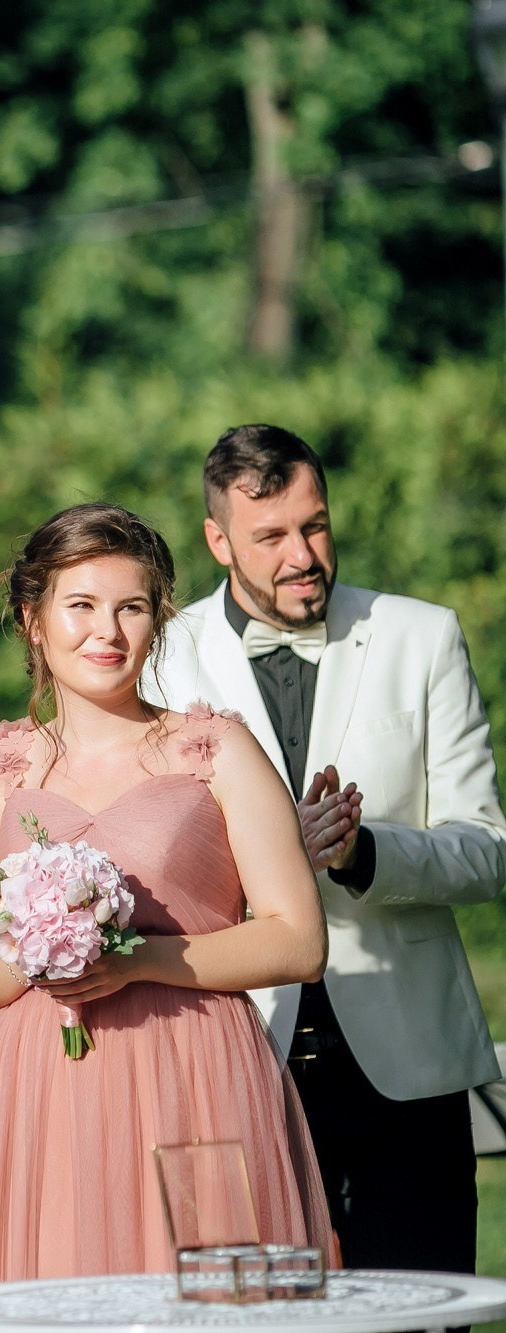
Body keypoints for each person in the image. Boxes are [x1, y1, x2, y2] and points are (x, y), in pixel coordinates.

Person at [0, 504, 332, 1281]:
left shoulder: (216, 750)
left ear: (158, 621)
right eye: (80, 606)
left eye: (132, 607)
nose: (107, 632)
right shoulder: (2, 771)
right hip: (43, 1089)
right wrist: (49, 942)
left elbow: (298, 939)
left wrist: (139, 959)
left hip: (195, 1073)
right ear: (33, 619)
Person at [149, 424, 506, 1273]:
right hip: (236, 1056)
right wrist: (265, 861)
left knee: (424, 1314)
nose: (303, 554)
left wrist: (363, 854)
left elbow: (488, 849)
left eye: (315, 525)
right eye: (270, 536)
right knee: (260, 1317)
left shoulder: (423, 636)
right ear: (218, 540)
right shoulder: (164, 660)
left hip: (409, 1064)